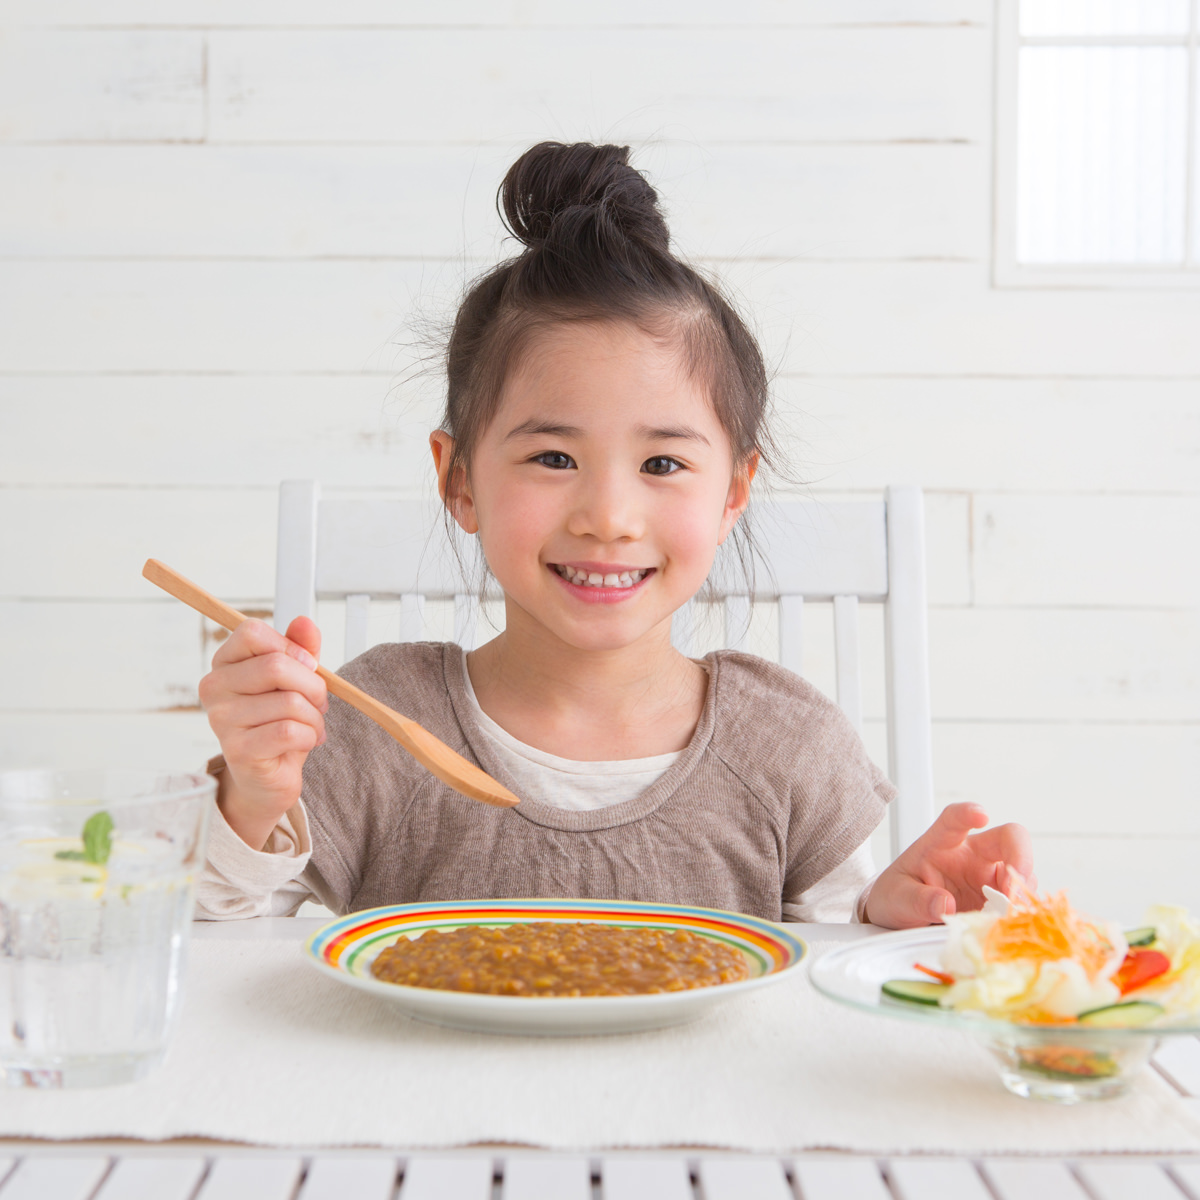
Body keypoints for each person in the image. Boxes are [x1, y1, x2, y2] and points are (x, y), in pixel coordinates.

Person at [196, 141, 1033, 926]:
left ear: (735, 490)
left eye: (663, 465)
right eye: (554, 456)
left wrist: (888, 925)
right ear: (459, 480)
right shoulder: (372, 726)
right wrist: (253, 797)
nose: (607, 515)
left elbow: (823, 992)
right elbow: (214, 957)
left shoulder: (790, 750)